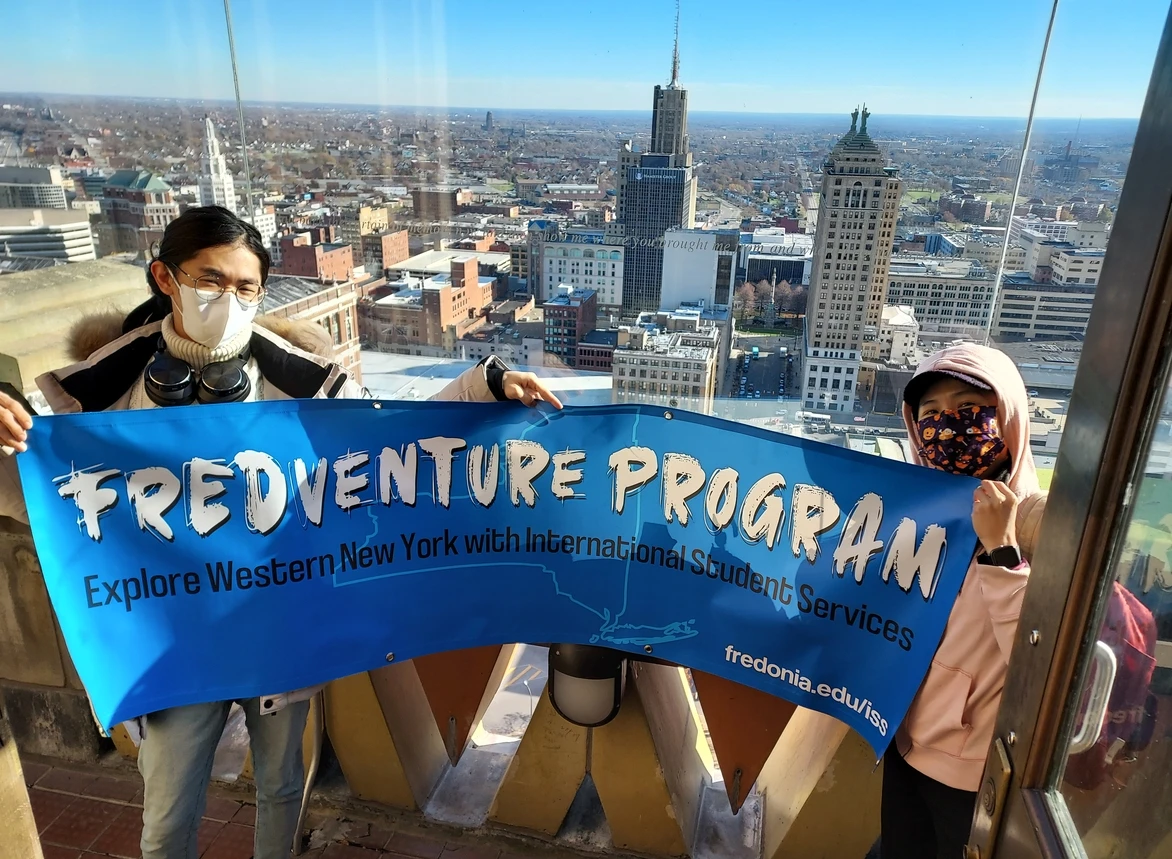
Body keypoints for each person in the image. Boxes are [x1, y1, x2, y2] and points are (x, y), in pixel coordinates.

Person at [0, 205, 561, 859]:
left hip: (277, 624)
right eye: (210, 279)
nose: (228, 298)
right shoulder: (105, 392)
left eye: (245, 286)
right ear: (165, 276)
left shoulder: (297, 380)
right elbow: (35, 495)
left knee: (281, 785)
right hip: (175, 638)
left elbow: (386, 441)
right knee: (167, 812)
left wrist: (484, 385)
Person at [881, 343, 1042, 859]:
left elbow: (1038, 662)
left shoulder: (1042, 527)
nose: (947, 425)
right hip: (903, 743)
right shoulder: (914, 516)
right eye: (930, 414)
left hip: (973, 774)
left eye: (969, 407)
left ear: (1008, 418)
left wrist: (1002, 553)